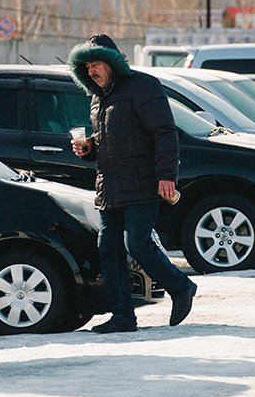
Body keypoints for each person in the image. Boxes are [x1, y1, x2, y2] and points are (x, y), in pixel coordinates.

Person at [68, 34, 198, 333]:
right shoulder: (97, 97)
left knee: (137, 244)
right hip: (108, 186)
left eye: (97, 63)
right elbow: (110, 140)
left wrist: (167, 176)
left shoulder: (143, 86)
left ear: (113, 63)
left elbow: (164, 132)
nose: (92, 71)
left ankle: (180, 288)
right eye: (87, 66)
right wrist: (89, 147)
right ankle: (123, 317)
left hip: (141, 181)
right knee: (108, 250)